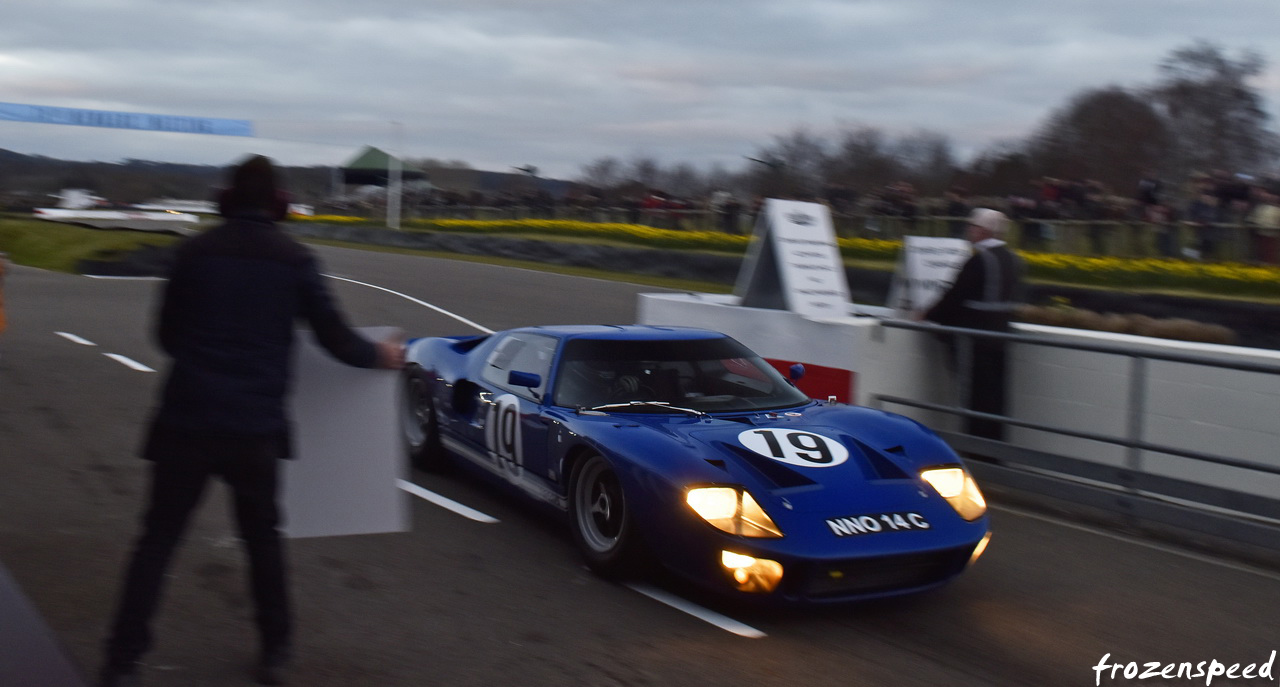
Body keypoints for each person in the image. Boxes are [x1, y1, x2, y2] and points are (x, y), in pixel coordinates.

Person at [98, 155, 405, 687]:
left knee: (157, 541)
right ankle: (275, 651)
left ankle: (122, 659)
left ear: (226, 199)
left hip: (185, 421)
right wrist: (379, 357)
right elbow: (335, 338)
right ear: (279, 204)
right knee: (262, 541)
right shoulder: (295, 259)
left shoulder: (191, 253)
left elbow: (166, 336)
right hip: (255, 429)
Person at [918, 208, 1025, 445]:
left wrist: (928, 314)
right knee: (996, 399)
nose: (969, 231)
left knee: (975, 398)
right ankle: (995, 450)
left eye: (972, 226)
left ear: (984, 231)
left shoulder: (978, 260)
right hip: (1001, 338)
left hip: (975, 341)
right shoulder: (1014, 259)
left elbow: (956, 296)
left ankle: (976, 451)